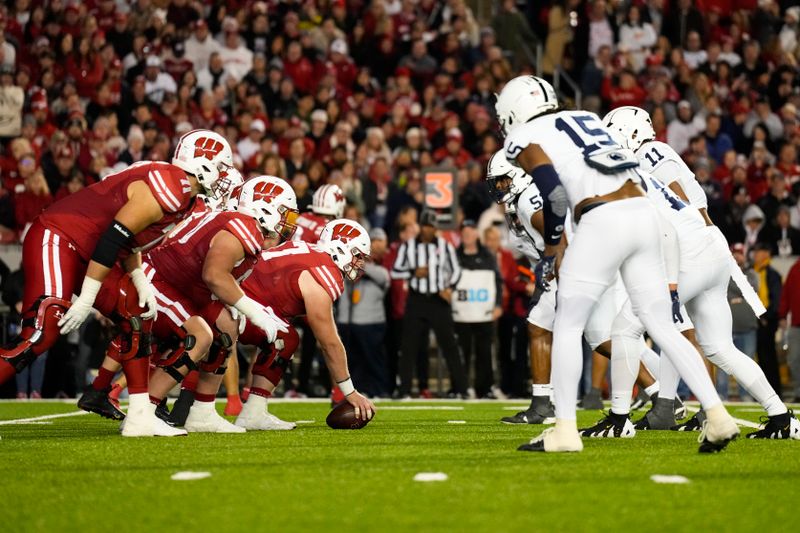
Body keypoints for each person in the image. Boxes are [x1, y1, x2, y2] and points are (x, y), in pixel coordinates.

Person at [496, 75, 738, 453]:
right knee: (661, 325)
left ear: (512, 111)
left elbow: (555, 197)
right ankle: (717, 415)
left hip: (602, 216)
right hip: (645, 215)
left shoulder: (521, 138)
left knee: (567, 323)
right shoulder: (588, 119)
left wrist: (550, 251)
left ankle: (563, 430)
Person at [0, 129, 233, 437]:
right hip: (60, 237)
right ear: (202, 164)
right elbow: (115, 235)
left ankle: (140, 415)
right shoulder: (172, 185)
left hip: (90, 250)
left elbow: (129, 241)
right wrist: (87, 297)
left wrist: (138, 277)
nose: (224, 177)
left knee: (135, 309)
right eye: (221, 167)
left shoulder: (184, 196)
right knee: (43, 331)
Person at [235, 219, 376, 429]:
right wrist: (349, 392)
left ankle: (253, 412)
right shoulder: (324, 270)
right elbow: (329, 342)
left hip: (239, 296)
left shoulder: (308, 250)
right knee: (210, 343)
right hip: (231, 301)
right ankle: (196, 409)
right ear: (340, 248)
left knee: (286, 338)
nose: (359, 263)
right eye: (357, 256)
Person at [391, 210, 467, 398]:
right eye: (426, 226)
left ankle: (461, 389)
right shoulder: (408, 246)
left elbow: (456, 271)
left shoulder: (445, 246)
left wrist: (450, 288)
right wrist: (412, 272)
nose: (428, 230)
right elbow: (395, 271)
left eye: (432, 227)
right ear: (421, 227)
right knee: (409, 346)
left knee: (449, 344)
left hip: (438, 300)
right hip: (416, 299)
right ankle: (404, 390)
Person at [336, 227, 391, 398]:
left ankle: (381, 390)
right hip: (347, 321)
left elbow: (383, 279)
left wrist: (360, 263)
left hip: (371, 322)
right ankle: (355, 390)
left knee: (374, 360)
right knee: (352, 361)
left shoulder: (380, 270)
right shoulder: (346, 266)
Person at [452, 219, 502, 399]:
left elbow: (497, 281)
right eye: (464, 231)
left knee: (484, 353)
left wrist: (498, 305)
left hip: (483, 312)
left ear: (476, 234)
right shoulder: (454, 256)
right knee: (461, 352)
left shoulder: (488, 256)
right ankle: (460, 387)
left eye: (471, 230)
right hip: (461, 313)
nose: (468, 234)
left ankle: (484, 388)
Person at [729, 243, 759, 401]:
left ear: (744, 255)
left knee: (747, 363)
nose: (737, 256)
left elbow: (750, 289)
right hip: (729, 327)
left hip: (748, 327)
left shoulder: (752, 273)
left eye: (740, 253)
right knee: (725, 365)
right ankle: (721, 394)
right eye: (734, 253)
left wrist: (735, 288)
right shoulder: (725, 274)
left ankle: (746, 394)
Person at [753, 241, 783, 396]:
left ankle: (774, 391)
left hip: (767, 322)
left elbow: (776, 299)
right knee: (760, 357)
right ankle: (764, 393)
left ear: (765, 254)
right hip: (756, 321)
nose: (755, 255)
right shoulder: (753, 272)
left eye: (758, 252)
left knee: (768, 357)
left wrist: (766, 316)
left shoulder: (772, 274)